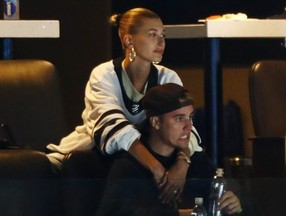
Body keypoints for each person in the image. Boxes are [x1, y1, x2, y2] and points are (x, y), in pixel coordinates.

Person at [46, 7, 202, 202]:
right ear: (129, 40)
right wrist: (154, 167)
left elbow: (186, 128)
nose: (161, 41)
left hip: (143, 161)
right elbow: (112, 125)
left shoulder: (167, 77)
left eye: (163, 35)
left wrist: (182, 164)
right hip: (94, 154)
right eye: (152, 34)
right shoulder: (104, 74)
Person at [96, 83, 243, 216]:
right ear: (155, 122)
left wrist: (237, 204)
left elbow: (243, 198)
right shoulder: (128, 165)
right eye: (179, 119)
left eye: (190, 117)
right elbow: (114, 212)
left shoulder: (198, 160)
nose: (189, 126)